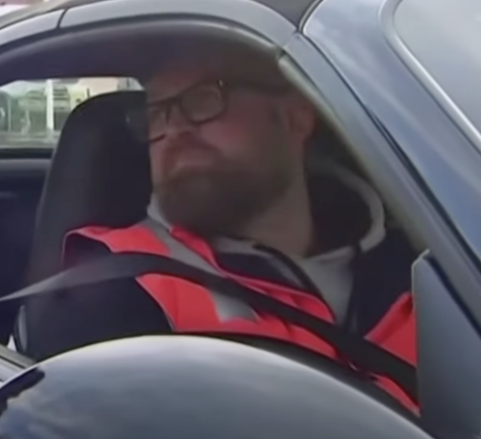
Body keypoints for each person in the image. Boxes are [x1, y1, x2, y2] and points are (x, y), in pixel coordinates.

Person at [38, 44, 417, 409]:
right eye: (157, 113)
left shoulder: (425, 261)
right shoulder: (113, 288)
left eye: (204, 98)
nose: (174, 129)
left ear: (295, 117)